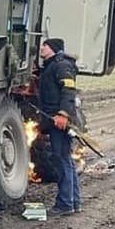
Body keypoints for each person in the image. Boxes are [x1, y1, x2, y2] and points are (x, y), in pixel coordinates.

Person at [38, 37, 82, 216]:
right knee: (66, 161)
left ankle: (65, 204)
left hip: (61, 121)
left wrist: (63, 114)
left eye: (45, 46)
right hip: (54, 120)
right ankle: (74, 201)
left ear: (53, 49)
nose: (41, 48)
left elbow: (69, 91)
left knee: (62, 161)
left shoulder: (62, 66)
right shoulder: (51, 66)